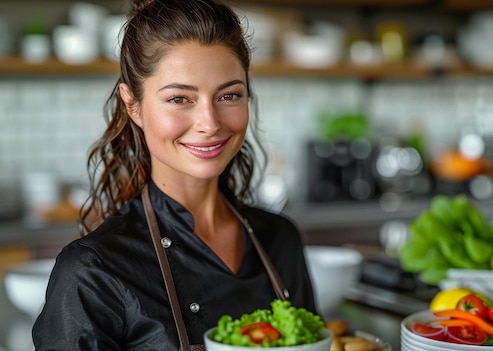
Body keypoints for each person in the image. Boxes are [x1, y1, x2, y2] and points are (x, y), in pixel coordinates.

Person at [32, 0, 317, 349]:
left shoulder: (280, 239)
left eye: (229, 95)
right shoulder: (92, 272)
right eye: (180, 99)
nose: (210, 124)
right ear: (132, 104)